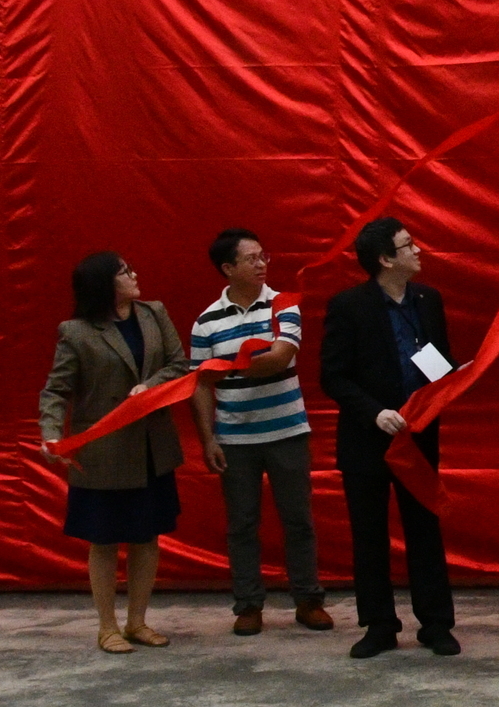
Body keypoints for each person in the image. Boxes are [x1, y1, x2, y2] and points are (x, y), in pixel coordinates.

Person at [320, 218, 461, 660]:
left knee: (424, 528)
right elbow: (333, 376)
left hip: (418, 436)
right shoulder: (349, 306)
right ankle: (379, 624)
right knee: (369, 533)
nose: (417, 251)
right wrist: (374, 412)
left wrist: (456, 378)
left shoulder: (428, 300)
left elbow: (437, 362)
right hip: (368, 438)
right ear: (385, 259)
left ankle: (436, 623)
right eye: (407, 245)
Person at [39, 253, 191, 653]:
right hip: (103, 451)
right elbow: (56, 390)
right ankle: (106, 626)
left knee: (146, 536)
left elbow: (180, 364)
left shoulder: (154, 313)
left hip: (151, 448)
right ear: (105, 284)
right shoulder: (76, 331)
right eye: (125, 271)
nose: (135, 274)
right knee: (103, 540)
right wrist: (52, 433)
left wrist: (151, 387)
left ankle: (137, 621)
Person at [188, 228, 329, 637]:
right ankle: (248, 605)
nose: (262, 264)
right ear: (228, 268)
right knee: (241, 524)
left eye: (264, 256)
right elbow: (199, 384)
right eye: (251, 259)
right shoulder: (205, 322)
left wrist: (227, 364)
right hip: (234, 437)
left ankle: (308, 599)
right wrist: (207, 438)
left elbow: (281, 357)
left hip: (287, 430)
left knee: (298, 519)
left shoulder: (283, 305)